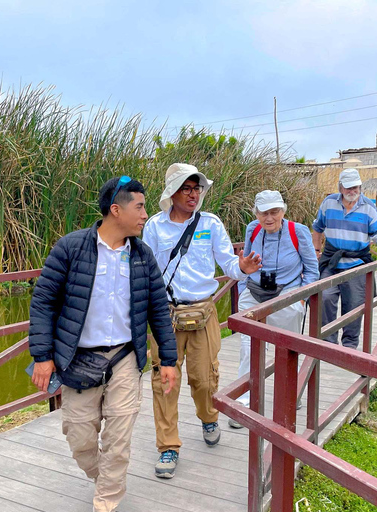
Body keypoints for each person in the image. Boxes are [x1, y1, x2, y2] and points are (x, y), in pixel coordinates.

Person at [29, 176, 178, 512]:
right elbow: (43, 302)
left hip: (125, 357)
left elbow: (158, 308)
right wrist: (43, 356)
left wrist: (167, 360)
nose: (145, 215)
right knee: (80, 439)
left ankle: (106, 502)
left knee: (118, 439)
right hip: (78, 358)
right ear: (116, 210)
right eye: (139, 207)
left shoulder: (143, 256)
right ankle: (106, 478)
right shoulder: (70, 248)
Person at [142, 163, 261, 479]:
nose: (194, 194)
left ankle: (209, 417)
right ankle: (168, 446)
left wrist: (244, 267)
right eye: (187, 188)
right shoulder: (154, 227)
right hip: (165, 314)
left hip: (204, 312)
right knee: (164, 381)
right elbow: (147, 272)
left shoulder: (210, 223)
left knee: (204, 378)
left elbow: (228, 263)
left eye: (197, 189)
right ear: (173, 192)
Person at [229, 190, 319, 428]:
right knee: (249, 348)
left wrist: (301, 299)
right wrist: (242, 290)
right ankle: (246, 401)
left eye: (274, 212)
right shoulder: (252, 229)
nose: (269, 218)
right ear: (256, 213)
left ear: (283, 211)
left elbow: (312, 270)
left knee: (286, 349)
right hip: (254, 294)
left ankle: (289, 395)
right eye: (264, 213)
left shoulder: (297, 231)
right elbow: (246, 262)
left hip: (286, 296)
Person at [311, 168, 377, 350]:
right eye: (348, 187)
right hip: (332, 260)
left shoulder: (367, 206)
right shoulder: (329, 203)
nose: (352, 191)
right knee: (325, 298)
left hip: (357, 263)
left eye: (355, 187)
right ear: (340, 187)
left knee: (353, 305)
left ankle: (349, 346)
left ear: (360, 186)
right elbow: (317, 227)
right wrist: (316, 250)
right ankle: (328, 343)